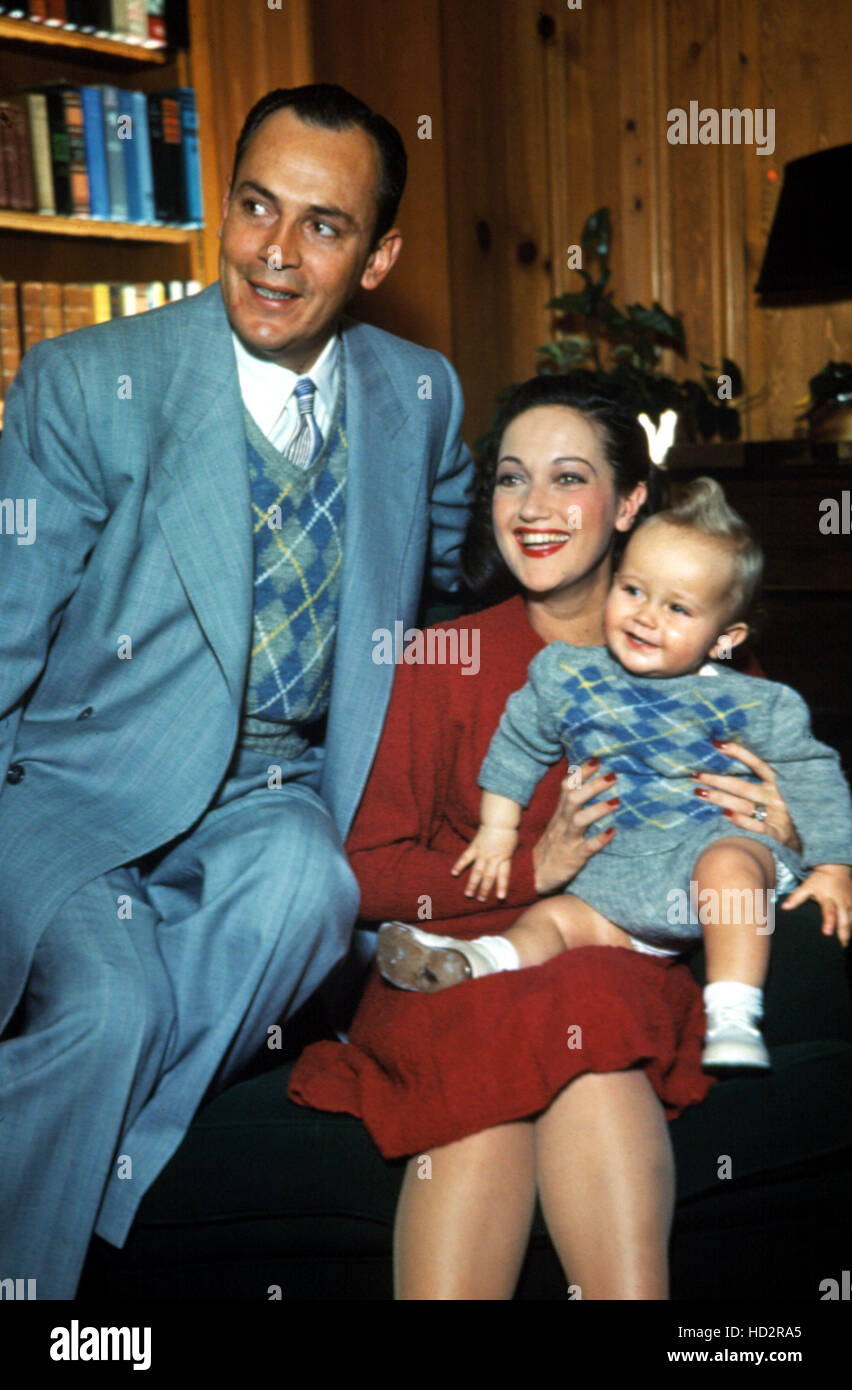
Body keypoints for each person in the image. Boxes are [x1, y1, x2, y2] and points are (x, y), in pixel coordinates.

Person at [0, 83, 473, 1299]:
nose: (273, 251)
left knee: (314, 884)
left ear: (379, 257)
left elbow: (452, 581)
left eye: (323, 225)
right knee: (109, 1008)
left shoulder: (421, 396)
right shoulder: (84, 382)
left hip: (274, 792)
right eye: (256, 206)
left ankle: (81, 1191)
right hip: (78, 786)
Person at [289, 374, 805, 1300]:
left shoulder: (698, 646)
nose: (532, 509)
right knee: (507, 1050)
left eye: (569, 479)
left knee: (594, 1013)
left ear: (630, 502)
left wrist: (781, 820)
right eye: (510, 479)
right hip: (452, 971)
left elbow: (775, 829)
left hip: (613, 967)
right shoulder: (441, 657)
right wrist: (535, 866)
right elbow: (362, 876)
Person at [376, 477, 852, 1072]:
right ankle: (475, 962)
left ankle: (733, 1015)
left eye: (677, 608)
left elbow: (814, 773)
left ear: (726, 638)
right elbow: (518, 742)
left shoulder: (752, 702)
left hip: (705, 851)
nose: (646, 617)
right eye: (633, 591)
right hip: (612, 882)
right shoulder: (570, 675)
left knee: (730, 869)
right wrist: (498, 829)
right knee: (552, 919)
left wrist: (834, 865)